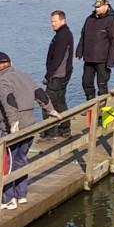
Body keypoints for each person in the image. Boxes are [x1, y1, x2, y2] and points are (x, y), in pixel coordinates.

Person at [0, 51, 46, 209]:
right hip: (30, 126)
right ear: (11, 64)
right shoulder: (25, 76)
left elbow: (9, 103)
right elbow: (41, 94)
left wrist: (14, 125)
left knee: (7, 163)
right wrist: (51, 110)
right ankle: (21, 195)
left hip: (12, 130)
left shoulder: (1, 82)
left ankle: (8, 199)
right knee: (21, 159)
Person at [77, 0, 114, 101]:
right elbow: (83, 35)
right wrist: (79, 50)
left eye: (99, 7)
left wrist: (111, 61)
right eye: (96, 7)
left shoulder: (112, 21)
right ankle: (91, 106)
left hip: (103, 60)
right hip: (89, 58)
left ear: (106, 6)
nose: (96, 9)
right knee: (86, 83)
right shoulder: (89, 19)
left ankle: (103, 110)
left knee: (102, 85)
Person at [44, 9, 74, 138]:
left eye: (55, 21)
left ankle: (50, 133)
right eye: (52, 21)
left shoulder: (63, 36)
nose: (53, 24)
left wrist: (49, 75)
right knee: (60, 101)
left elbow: (58, 58)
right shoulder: (63, 34)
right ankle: (65, 129)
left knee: (48, 102)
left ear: (63, 20)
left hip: (58, 75)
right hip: (63, 74)